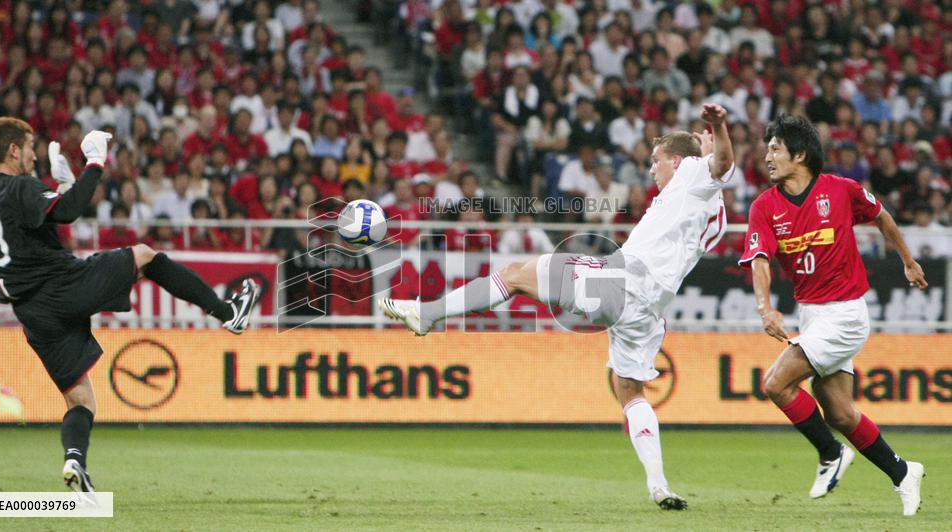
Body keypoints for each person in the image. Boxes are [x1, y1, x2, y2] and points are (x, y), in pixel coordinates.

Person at [380, 104, 736, 510]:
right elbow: (718, 171)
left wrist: (718, 130)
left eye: (656, 162)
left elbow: (720, 163)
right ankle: (659, 485)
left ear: (677, 161)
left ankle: (427, 314)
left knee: (513, 274)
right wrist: (712, 146)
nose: (651, 170)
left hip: (619, 280)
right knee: (631, 391)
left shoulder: (691, 174)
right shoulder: (713, 208)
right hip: (648, 310)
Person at [0, 118, 259, 502]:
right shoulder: (19, 186)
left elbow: (34, 231)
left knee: (81, 401)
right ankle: (228, 314)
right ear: (12, 150)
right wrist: (94, 164)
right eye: (28, 147)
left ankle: (75, 462)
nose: (32, 154)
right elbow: (69, 212)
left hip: (32, 310)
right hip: (60, 286)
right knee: (145, 255)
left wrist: (62, 185)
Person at [738, 115, 927, 516]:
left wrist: (908, 261)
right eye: (767, 147)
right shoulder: (765, 206)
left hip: (846, 315)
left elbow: (882, 216)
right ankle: (902, 472)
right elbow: (759, 260)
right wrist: (764, 306)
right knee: (839, 411)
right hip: (811, 315)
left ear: (800, 154)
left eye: (776, 148)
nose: (767, 155)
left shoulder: (840, 190)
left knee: (775, 384)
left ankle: (830, 454)